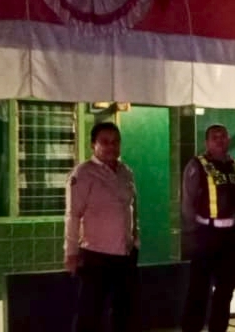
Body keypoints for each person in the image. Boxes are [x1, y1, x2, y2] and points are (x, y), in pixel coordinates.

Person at [181, 124, 235, 332]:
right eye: (214, 137)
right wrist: (192, 234)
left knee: (226, 289)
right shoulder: (197, 164)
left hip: (231, 236)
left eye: (223, 136)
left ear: (228, 140)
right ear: (206, 142)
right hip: (206, 234)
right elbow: (187, 202)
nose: (220, 140)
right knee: (199, 289)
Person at [64, 122, 139, 332]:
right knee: (90, 313)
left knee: (123, 312)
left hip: (125, 255)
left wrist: (135, 239)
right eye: (104, 142)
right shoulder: (83, 173)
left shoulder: (126, 172)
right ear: (93, 145)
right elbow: (72, 215)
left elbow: (132, 207)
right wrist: (71, 253)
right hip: (95, 256)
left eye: (115, 142)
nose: (111, 147)